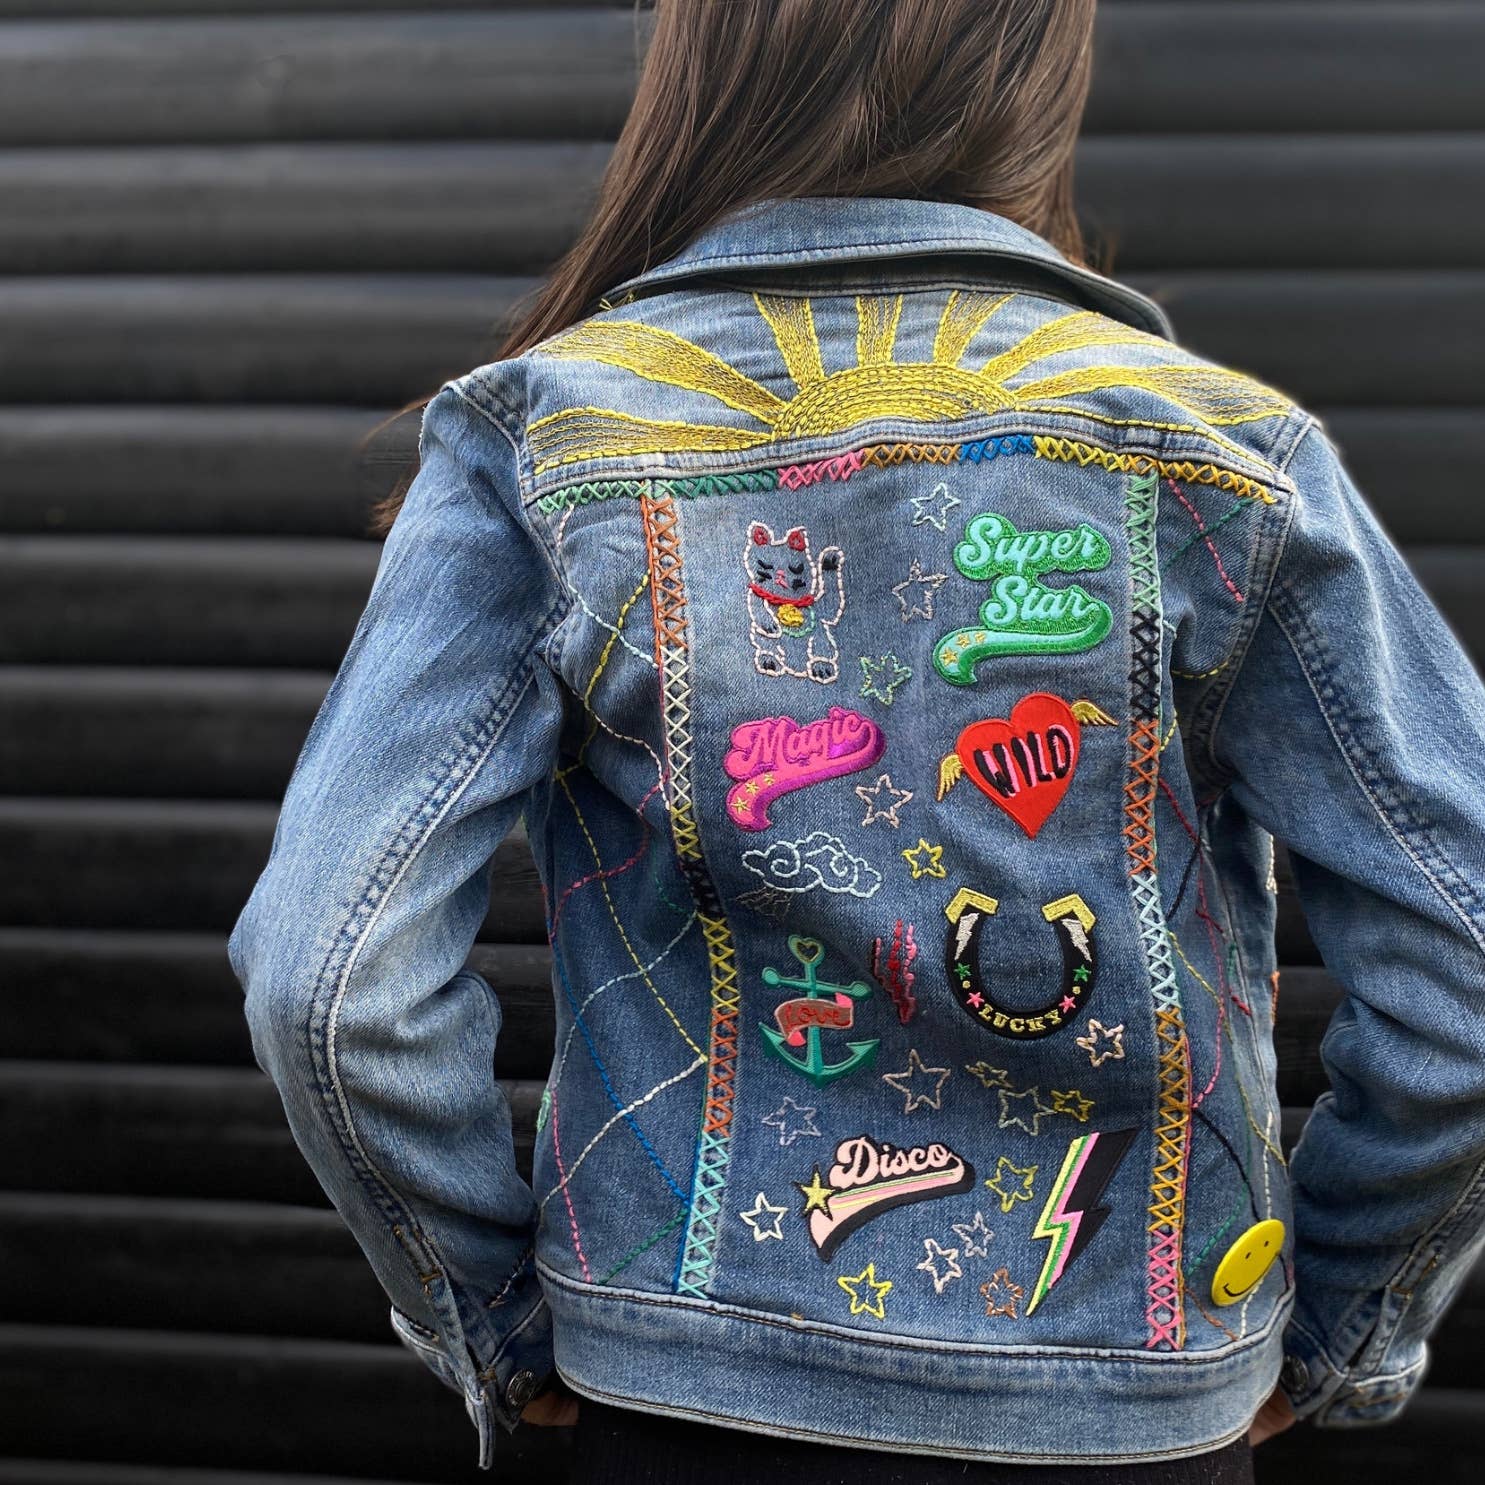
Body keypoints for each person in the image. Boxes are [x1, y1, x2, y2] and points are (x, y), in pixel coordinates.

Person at [227, 1, 1485, 1481]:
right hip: (1126, 1414)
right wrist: (1335, 1322)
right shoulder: (1227, 457)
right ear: (1034, 72)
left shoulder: (547, 435)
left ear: (696, 72)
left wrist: (493, 1322)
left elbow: (331, 980)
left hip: (671, 1406)